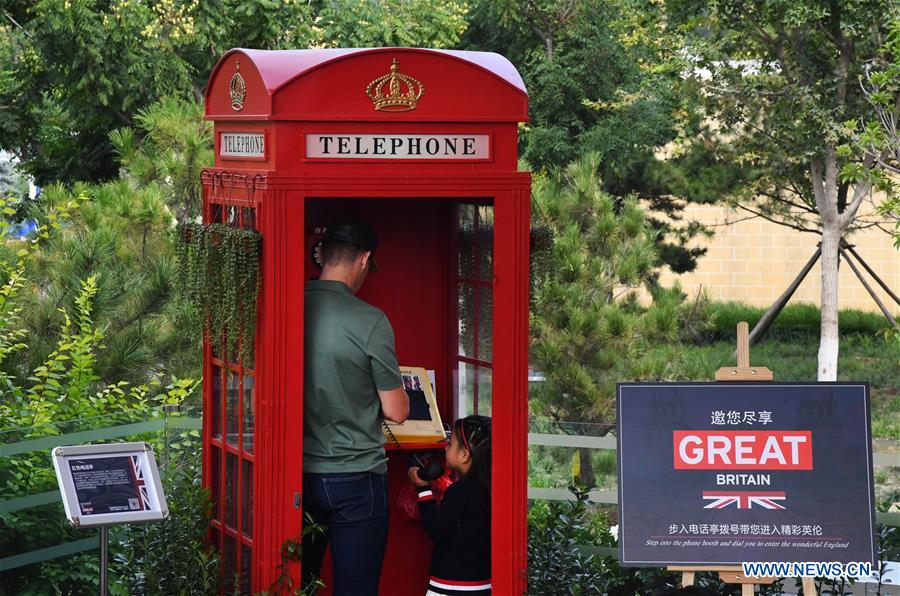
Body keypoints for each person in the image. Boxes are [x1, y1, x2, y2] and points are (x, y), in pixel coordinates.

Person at [302, 218, 409, 596]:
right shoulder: (371, 321)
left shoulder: (288, 304)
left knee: (296, 583)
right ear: (364, 259)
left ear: (324, 255)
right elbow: (397, 411)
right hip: (356, 476)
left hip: (297, 475)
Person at [408, 415, 492, 595]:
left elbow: (438, 531)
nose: (445, 447)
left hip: (450, 584)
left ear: (464, 455)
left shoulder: (459, 491)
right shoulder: (490, 488)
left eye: (450, 443)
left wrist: (423, 489)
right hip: (483, 582)